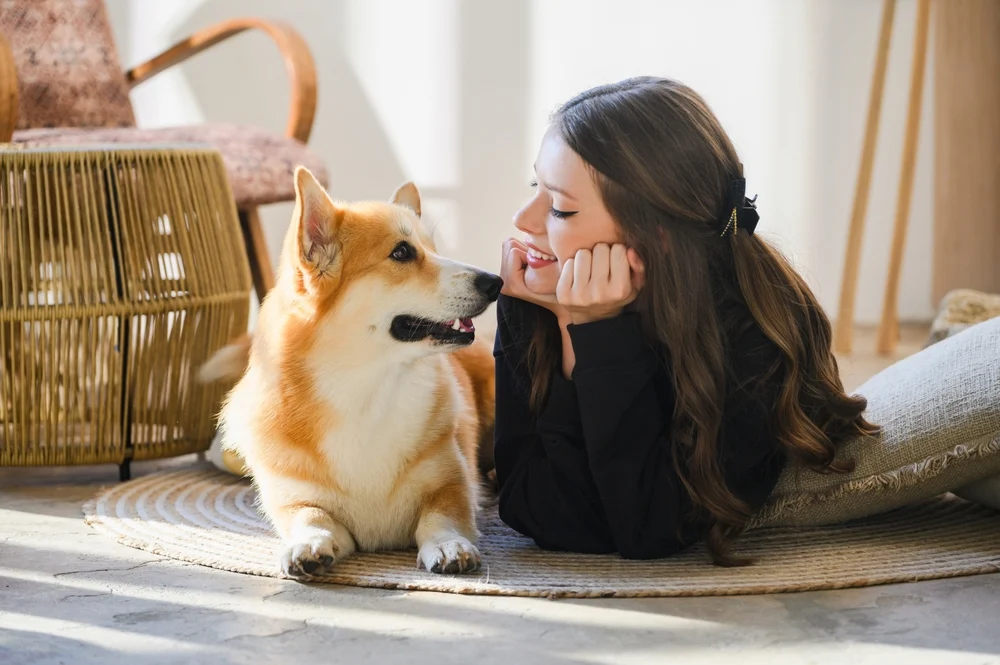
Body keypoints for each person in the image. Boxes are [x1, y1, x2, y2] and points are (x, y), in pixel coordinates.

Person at [493, 76, 877, 565]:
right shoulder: (534, 299)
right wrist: (572, 327)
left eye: (561, 208)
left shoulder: (758, 335)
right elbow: (536, 511)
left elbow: (647, 529)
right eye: (535, 188)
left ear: (656, 234)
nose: (523, 219)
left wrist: (597, 333)